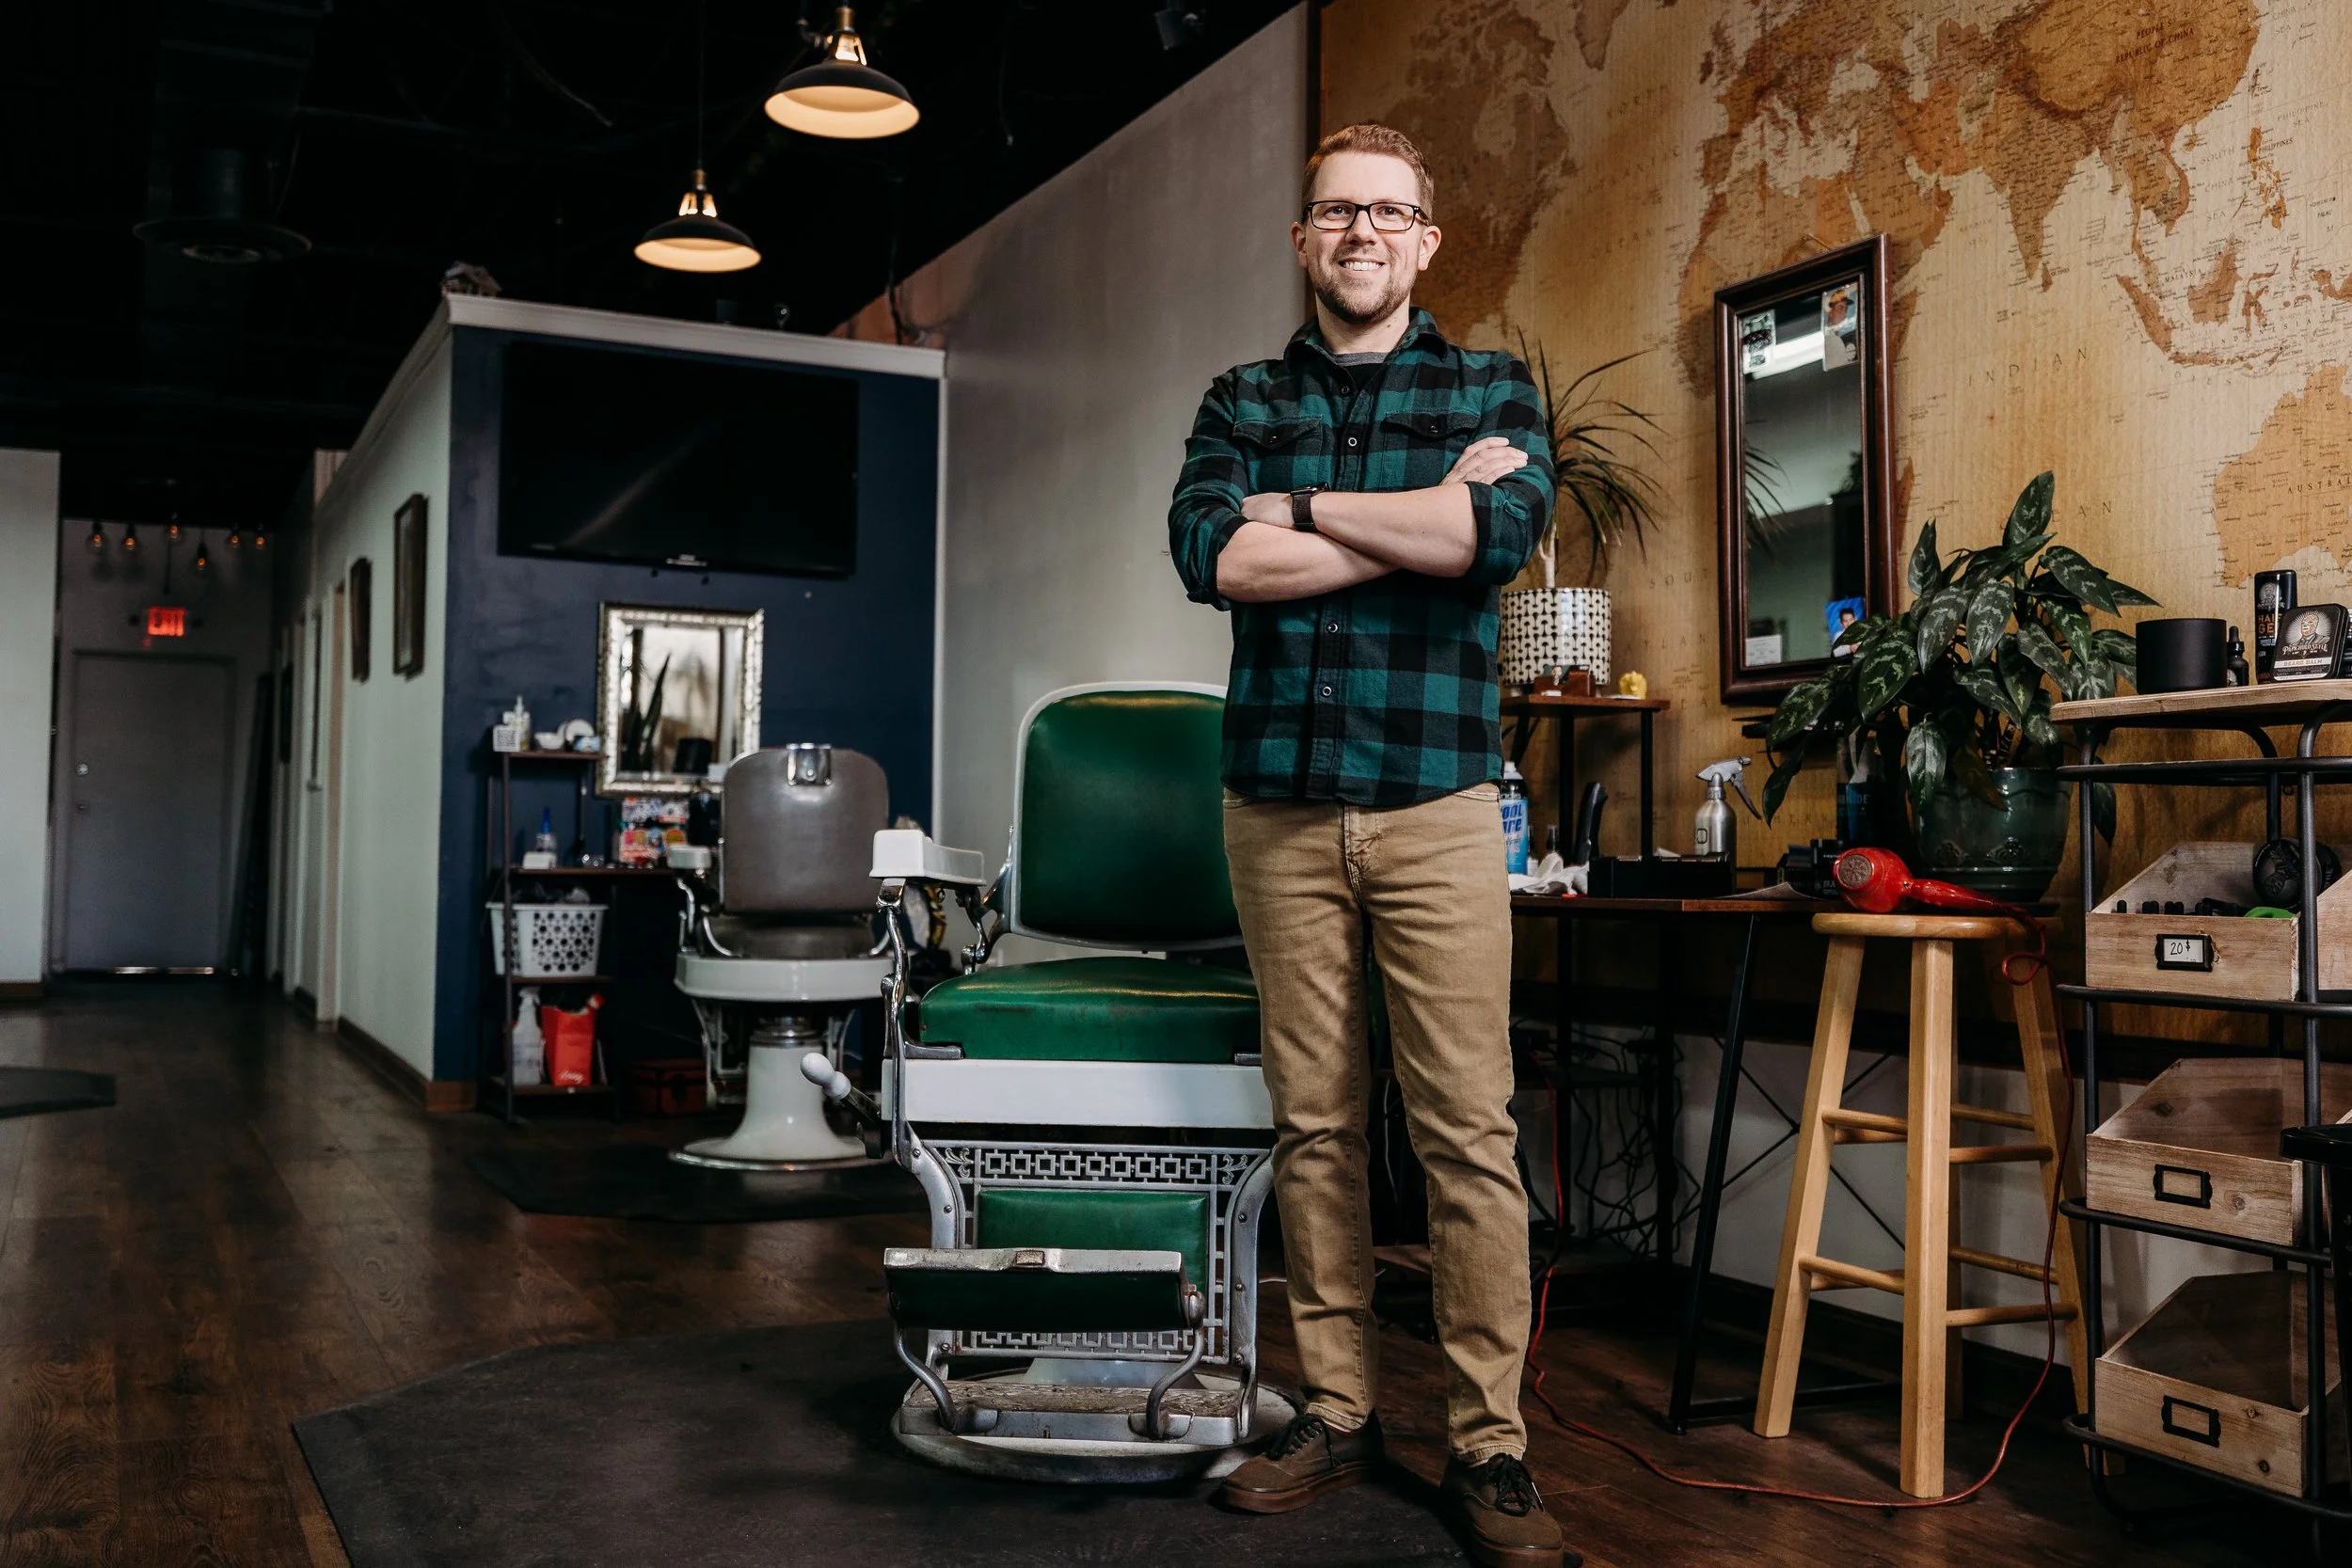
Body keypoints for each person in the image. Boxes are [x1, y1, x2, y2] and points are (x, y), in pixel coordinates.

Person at [1167, 123, 1570, 1568]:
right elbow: (1213, 556)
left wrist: (1306, 507)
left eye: (1386, 213)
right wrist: (1412, 517)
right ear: (1303, 237)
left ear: (1426, 239)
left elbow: (1490, 541)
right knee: (1317, 1124)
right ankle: (1337, 1408)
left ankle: (1489, 1446)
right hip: (1275, 800)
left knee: (1469, 1132)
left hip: (1439, 803)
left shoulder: (1492, 386)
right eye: (1336, 210)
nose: (1360, 233)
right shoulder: (1241, 395)